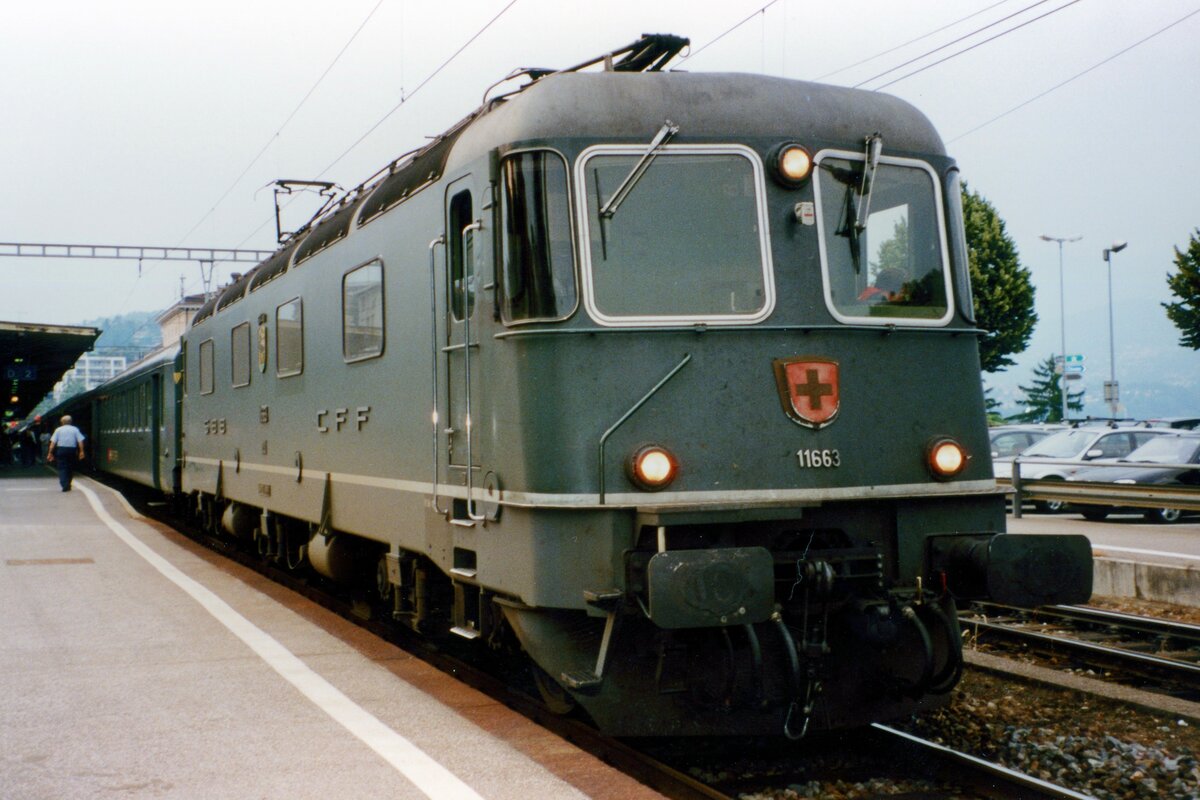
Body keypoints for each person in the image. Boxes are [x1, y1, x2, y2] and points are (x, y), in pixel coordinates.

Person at [47, 415, 86, 492]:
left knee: (62, 468)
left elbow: (53, 443)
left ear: (62, 422)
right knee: (70, 467)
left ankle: (64, 484)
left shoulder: (58, 430)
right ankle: (68, 484)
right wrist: (82, 451)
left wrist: (50, 452)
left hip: (61, 450)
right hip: (72, 450)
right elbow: (80, 441)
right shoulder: (75, 429)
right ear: (71, 421)